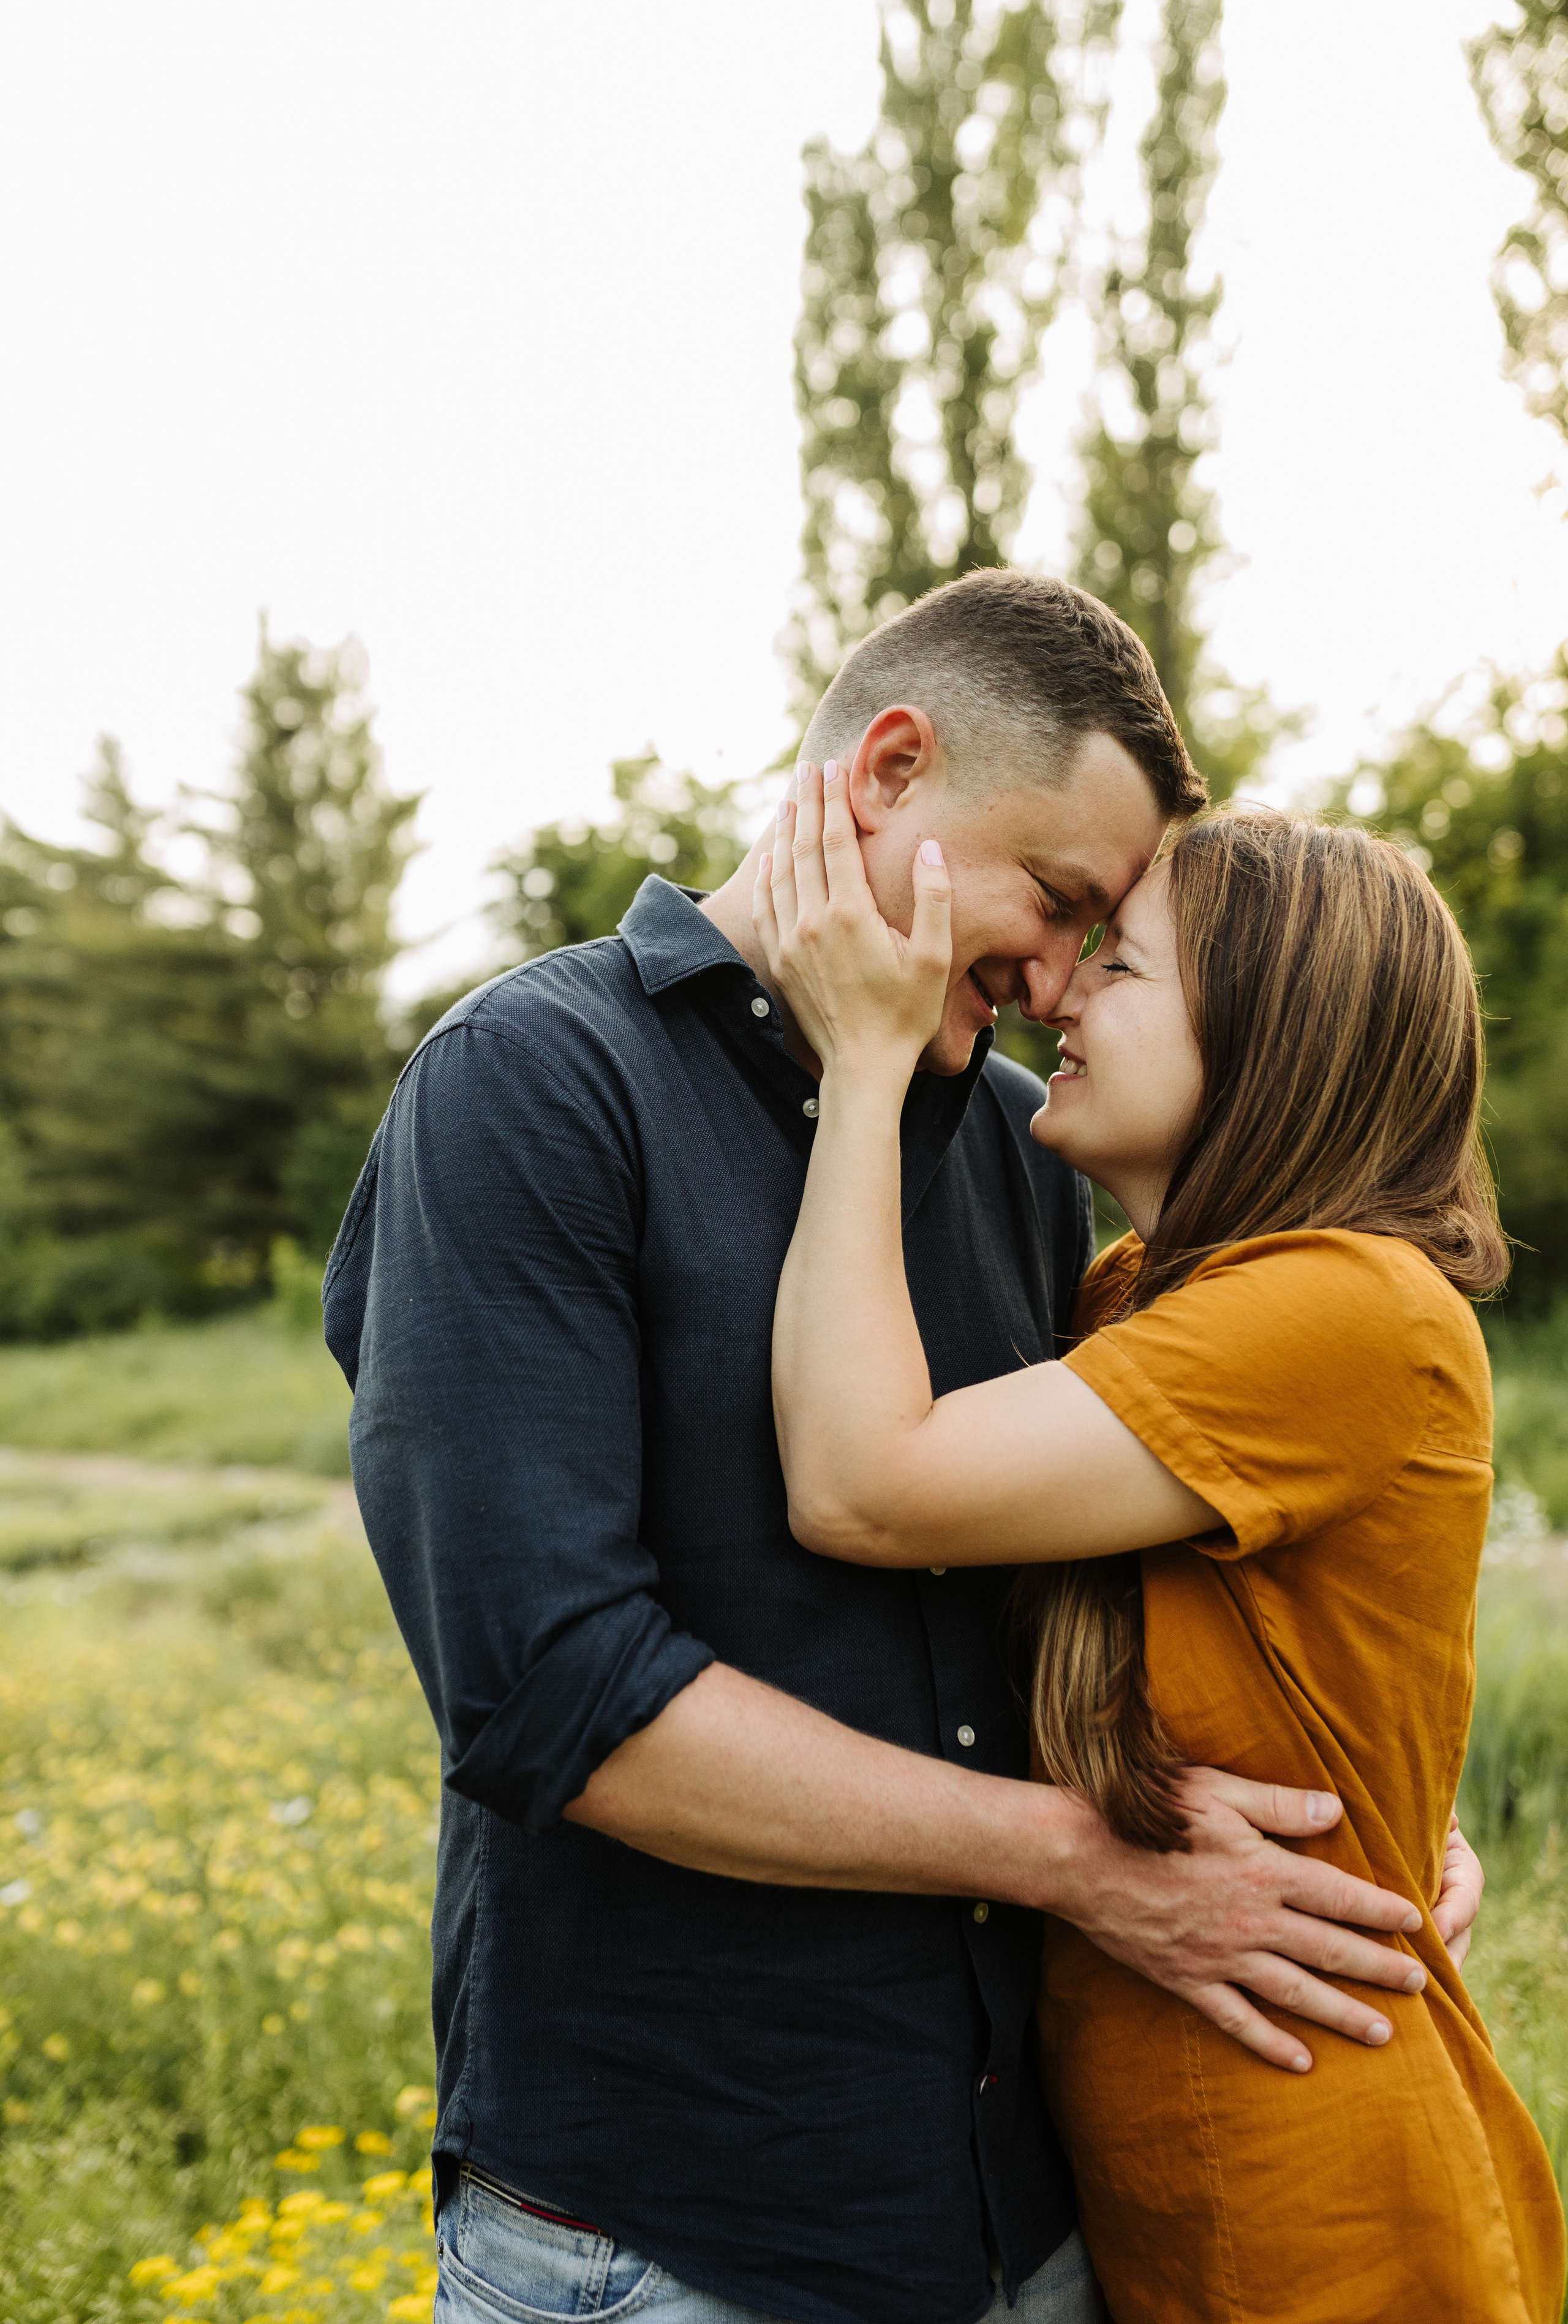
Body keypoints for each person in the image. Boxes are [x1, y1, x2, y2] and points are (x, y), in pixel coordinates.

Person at [323, 571, 1482, 2324]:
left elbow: (1198, 1564)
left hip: (1040, 2224)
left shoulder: (1029, 1153)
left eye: (1105, 943)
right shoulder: (531, 1087)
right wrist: (1075, 1860)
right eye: (1059, 898)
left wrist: (1391, 1826)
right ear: (887, 774)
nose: (1056, 975)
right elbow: (548, 1690)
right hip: (677, 2234)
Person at [760, 775, 1566, 2323]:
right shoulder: (1141, 1292)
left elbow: (861, 1486)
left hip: (1315, 2192)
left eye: (1116, 963)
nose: (1054, 987)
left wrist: (862, 1063)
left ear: (1272, 1038)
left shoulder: (1343, 1306)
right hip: (1164, 2189)